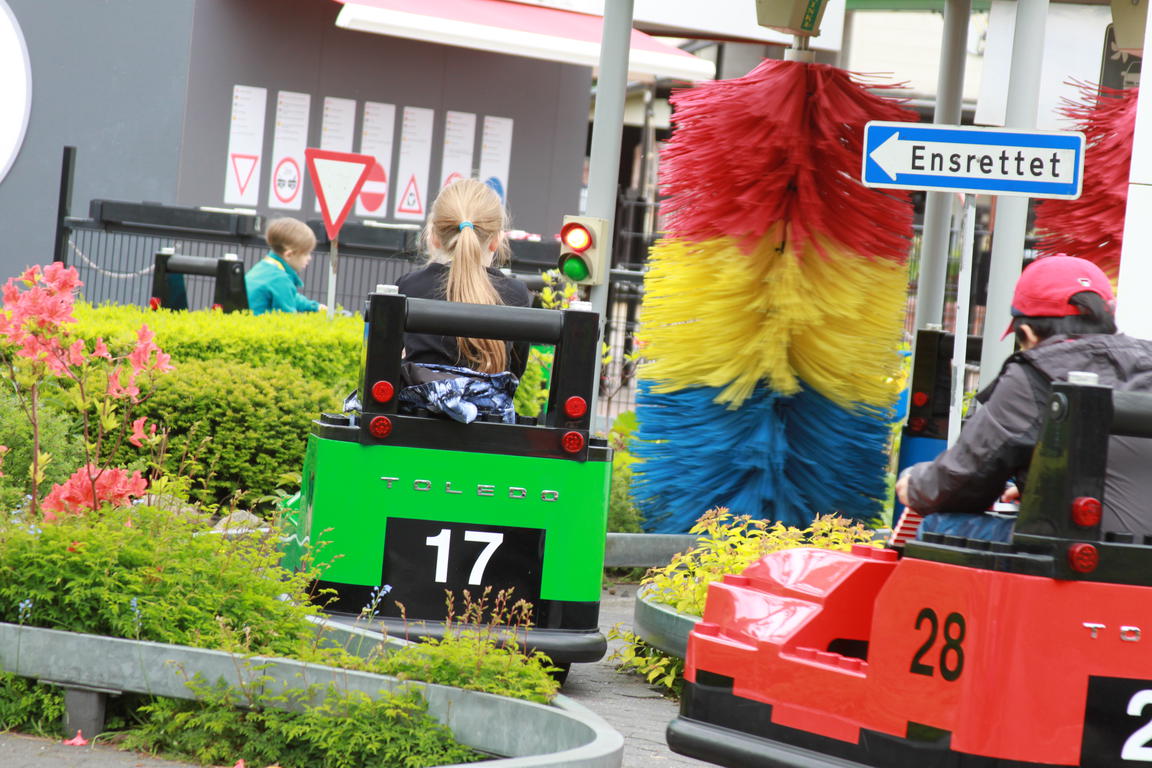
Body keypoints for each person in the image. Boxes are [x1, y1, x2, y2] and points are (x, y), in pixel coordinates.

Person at [895, 254, 1152, 539]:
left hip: (1085, 552)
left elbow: (963, 480)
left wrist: (915, 485)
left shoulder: (1036, 372)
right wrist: (1047, 488)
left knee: (938, 526)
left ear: (1026, 332)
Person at [396, 178, 531, 378]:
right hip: (488, 400)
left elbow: (385, 358)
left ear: (434, 237)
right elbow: (515, 372)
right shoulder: (515, 294)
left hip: (417, 397)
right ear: (495, 241)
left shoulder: (409, 287)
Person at [246, 217, 325, 316]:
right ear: (289, 255)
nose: (309, 258)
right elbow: (288, 317)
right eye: (306, 253)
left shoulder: (265, 267)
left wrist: (315, 307)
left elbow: (291, 297)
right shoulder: (280, 279)